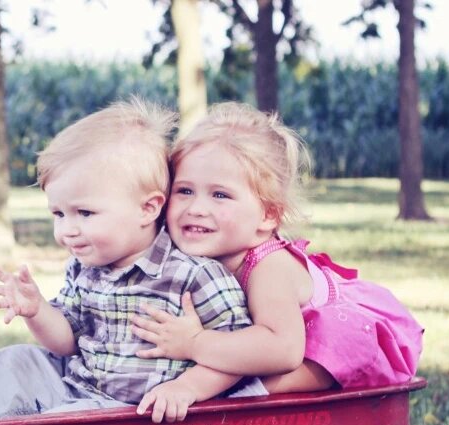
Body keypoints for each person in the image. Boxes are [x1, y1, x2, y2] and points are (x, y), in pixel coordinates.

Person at [0, 98, 257, 425]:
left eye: (84, 213)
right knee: (16, 360)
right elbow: (66, 341)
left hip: (126, 411)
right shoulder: (86, 265)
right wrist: (37, 311)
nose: (67, 231)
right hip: (75, 382)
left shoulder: (193, 275)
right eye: (58, 215)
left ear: (147, 208)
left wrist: (188, 388)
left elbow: (239, 354)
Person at [133, 102, 423, 393]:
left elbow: (283, 349)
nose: (196, 208)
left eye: (220, 195)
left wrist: (194, 344)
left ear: (268, 215)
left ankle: (248, 394)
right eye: (185, 191)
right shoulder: (195, 252)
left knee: (275, 371)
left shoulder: (268, 269)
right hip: (281, 339)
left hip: (338, 342)